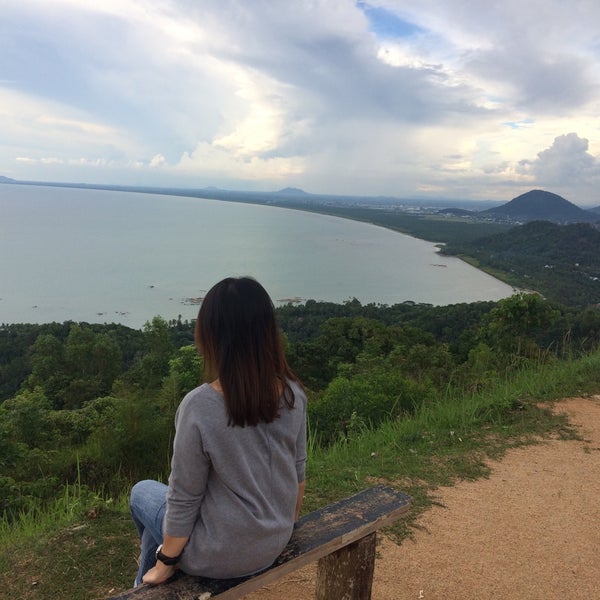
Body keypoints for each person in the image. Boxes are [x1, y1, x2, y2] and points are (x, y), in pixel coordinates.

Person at [129, 276, 307, 587]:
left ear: (210, 336)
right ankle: (150, 574)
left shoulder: (200, 406)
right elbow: (298, 471)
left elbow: (184, 497)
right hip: (275, 537)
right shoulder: (293, 393)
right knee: (155, 539)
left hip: (219, 554)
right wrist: (284, 525)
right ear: (268, 332)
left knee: (141, 492)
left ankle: (152, 576)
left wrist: (168, 560)